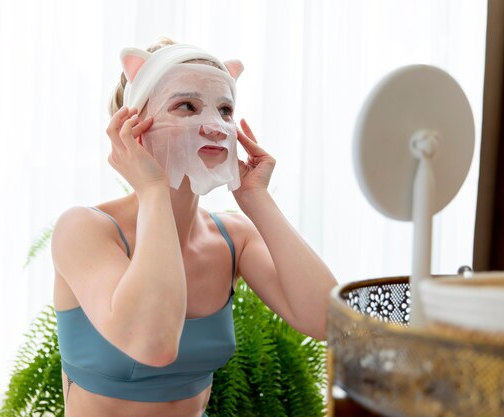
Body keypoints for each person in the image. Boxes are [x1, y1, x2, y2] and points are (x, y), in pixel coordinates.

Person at [51, 38, 338, 417]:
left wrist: (256, 198)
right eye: (186, 105)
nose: (216, 125)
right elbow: (153, 344)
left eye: (225, 109)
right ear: (133, 126)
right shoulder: (84, 230)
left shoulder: (233, 239)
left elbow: (328, 321)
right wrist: (153, 190)